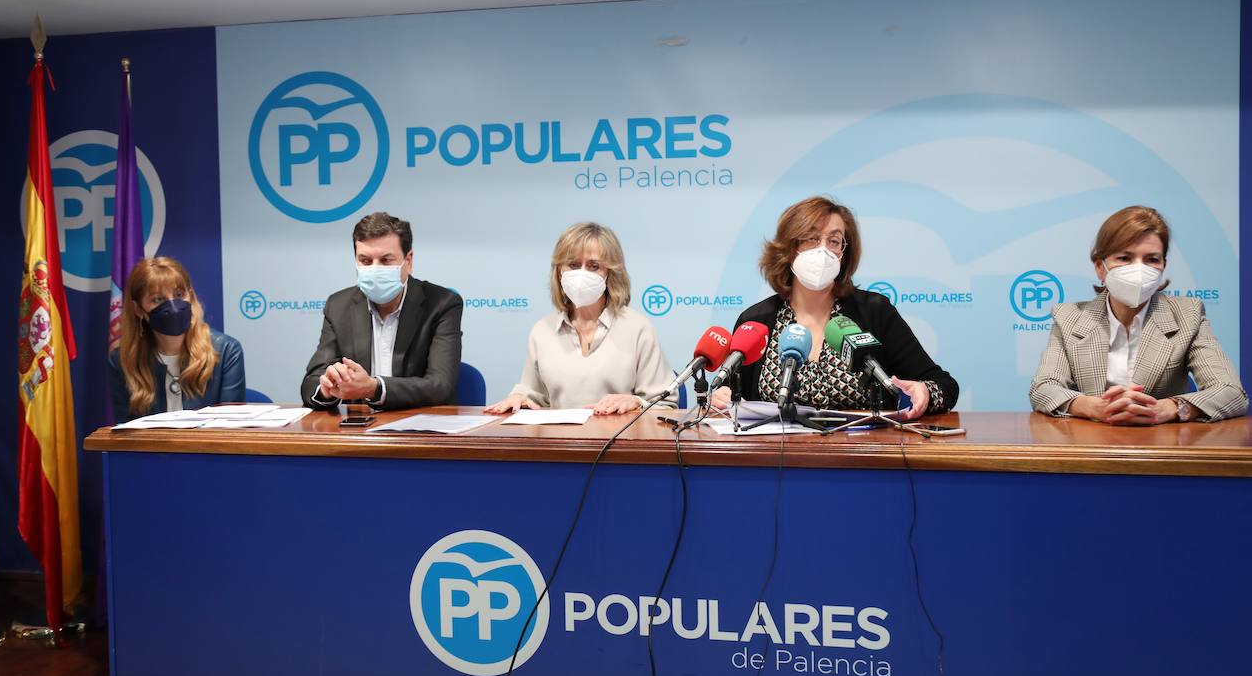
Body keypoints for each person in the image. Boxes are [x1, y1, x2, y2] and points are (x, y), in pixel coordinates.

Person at [712, 196, 958, 419]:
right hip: (776, 458)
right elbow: (730, 398)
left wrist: (925, 391)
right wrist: (721, 399)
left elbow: (944, 385)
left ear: (844, 253)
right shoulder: (757, 320)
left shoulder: (874, 312)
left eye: (834, 240)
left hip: (862, 456)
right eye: (811, 238)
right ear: (789, 248)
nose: (823, 249)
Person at [1030, 205, 1246, 424]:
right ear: (1100, 267)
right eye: (1124, 258)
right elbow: (1044, 387)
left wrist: (1170, 408)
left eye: (1152, 259)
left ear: (1163, 266)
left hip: (1162, 447)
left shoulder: (1187, 315)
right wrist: (1092, 407)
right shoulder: (1068, 317)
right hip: (1091, 445)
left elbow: (1230, 392)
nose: (1138, 270)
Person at [486, 222, 675, 415]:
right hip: (559, 442)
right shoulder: (543, 329)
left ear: (610, 272)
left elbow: (665, 405)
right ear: (559, 271)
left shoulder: (637, 327)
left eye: (593, 266)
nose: (582, 274)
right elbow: (533, 395)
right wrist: (520, 398)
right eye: (573, 265)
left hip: (619, 441)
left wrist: (635, 402)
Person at [301, 211, 462, 410]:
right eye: (366, 261)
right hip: (361, 433)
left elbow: (440, 385)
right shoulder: (339, 305)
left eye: (386, 260)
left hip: (421, 430)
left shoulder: (442, 303)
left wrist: (374, 388)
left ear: (408, 261)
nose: (375, 269)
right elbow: (311, 382)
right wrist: (326, 388)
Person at [108, 256, 246, 421]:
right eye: (158, 299)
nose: (173, 306)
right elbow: (126, 434)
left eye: (179, 295)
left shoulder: (226, 351)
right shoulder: (123, 361)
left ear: (191, 297)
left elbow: (229, 430)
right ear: (139, 309)